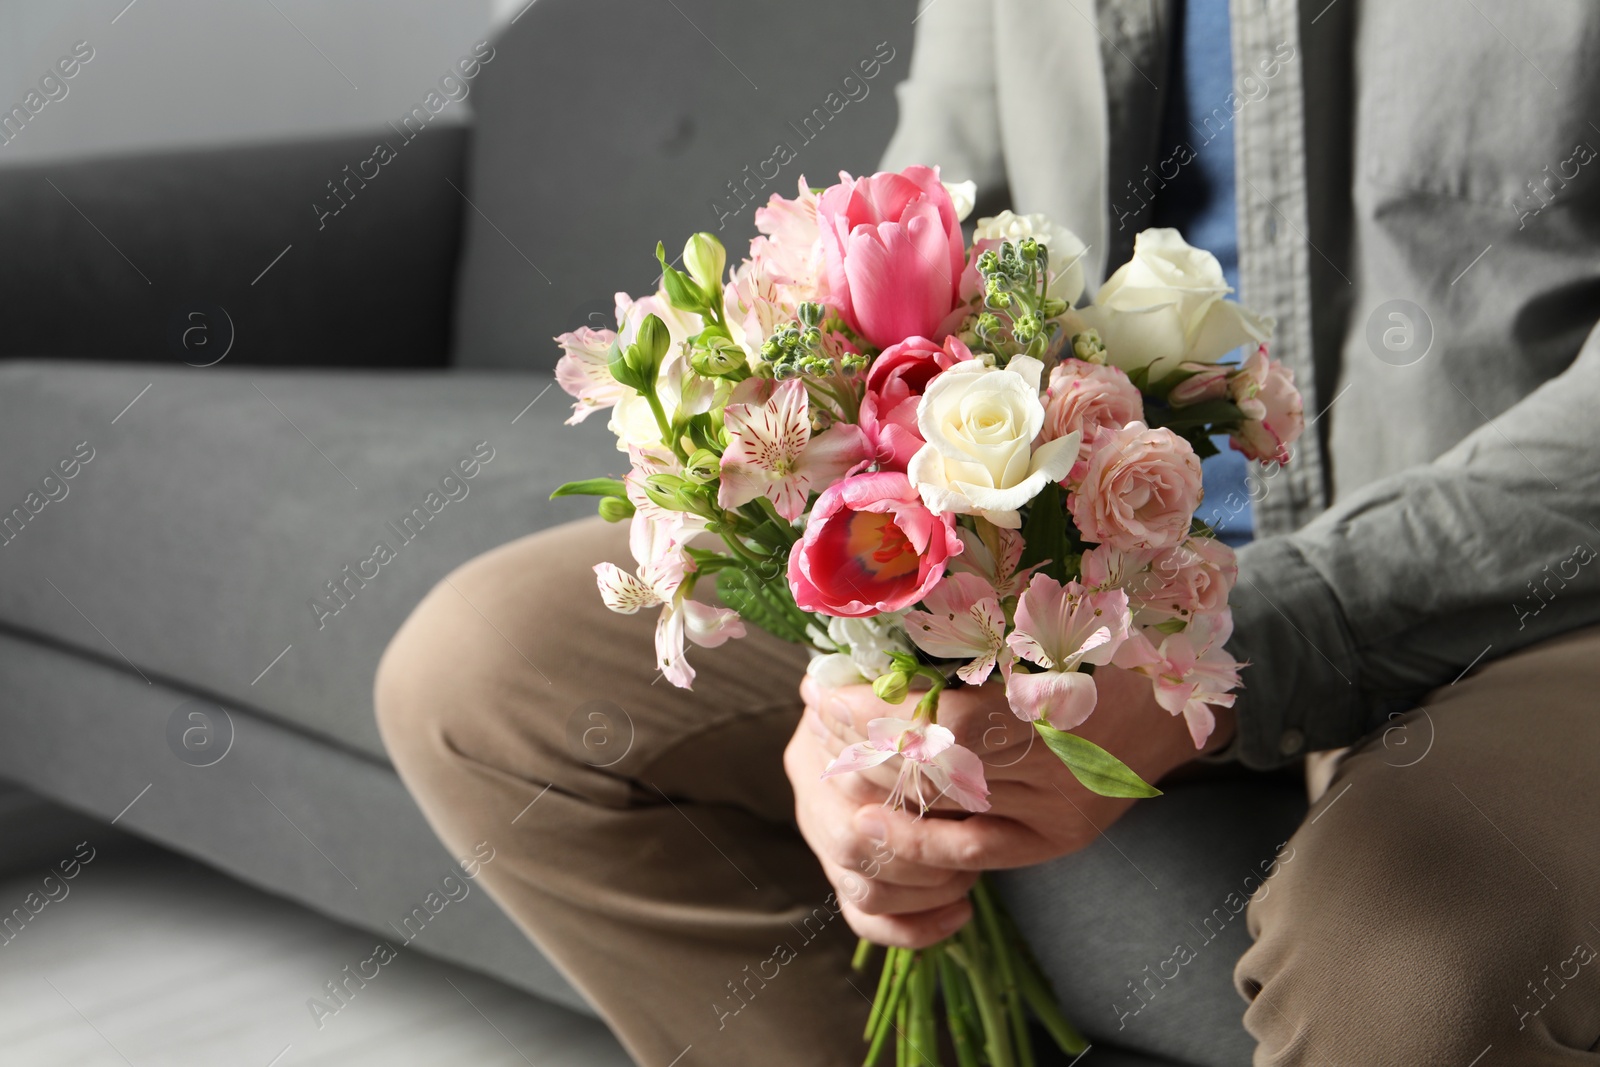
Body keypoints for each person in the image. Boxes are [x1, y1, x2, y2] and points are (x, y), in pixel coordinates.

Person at [375, 1, 1600, 1064]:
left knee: (1418, 981)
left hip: (1525, 595)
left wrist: (1237, 644)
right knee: (482, 675)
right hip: (1054, 568)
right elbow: (918, 242)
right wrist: (851, 658)